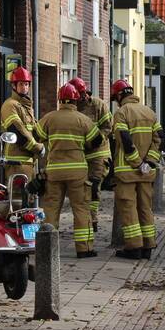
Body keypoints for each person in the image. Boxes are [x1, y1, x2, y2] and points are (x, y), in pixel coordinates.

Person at [34, 84, 101, 258]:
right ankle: (84, 248)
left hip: (54, 171)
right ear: (75, 100)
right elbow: (97, 141)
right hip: (78, 172)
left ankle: (47, 249)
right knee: (81, 209)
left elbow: (36, 135)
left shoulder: (49, 118)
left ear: (59, 100)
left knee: (51, 209)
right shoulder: (83, 119)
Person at [110, 79, 163, 260]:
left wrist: (136, 162)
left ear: (119, 96)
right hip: (146, 172)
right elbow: (159, 138)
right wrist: (148, 162)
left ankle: (133, 248)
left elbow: (125, 140)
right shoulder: (149, 112)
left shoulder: (121, 113)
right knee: (145, 207)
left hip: (127, 172)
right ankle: (148, 245)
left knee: (128, 208)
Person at [67, 77, 113, 236]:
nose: (83, 97)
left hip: (98, 154)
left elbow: (107, 128)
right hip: (80, 155)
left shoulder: (99, 105)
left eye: (84, 93)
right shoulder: (72, 108)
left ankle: (92, 220)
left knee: (93, 187)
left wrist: (95, 140)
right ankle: (83, 219)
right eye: (79, 95)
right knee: (80, 188)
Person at [0, 66, 43, 193]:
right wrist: (37, 147)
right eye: (22, 84)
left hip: (29, 163)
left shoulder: (26, 106)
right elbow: (17, 131)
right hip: (16, 163)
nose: (25, 87)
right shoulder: (10, 105)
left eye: (27, 84)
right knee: (18, 202)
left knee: (28, 203)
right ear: (14, 86)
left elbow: (33, 130)